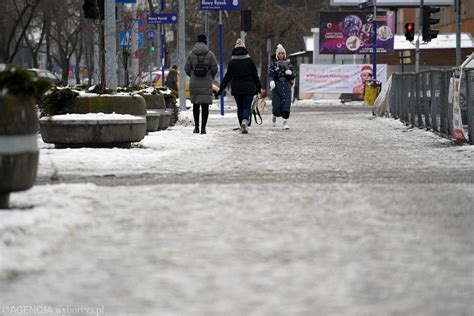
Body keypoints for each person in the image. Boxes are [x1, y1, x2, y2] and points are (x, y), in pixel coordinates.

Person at [215, 38, 261, 134]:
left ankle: (242, 124)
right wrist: (258, 87)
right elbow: (255, 75)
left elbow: (227, 77)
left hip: (237, 89)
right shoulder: (250, 61)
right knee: (246, 107)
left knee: (240, 107)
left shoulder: (232, 62)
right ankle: (245, 121)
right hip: (249, 88)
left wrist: (221, 89)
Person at [184, 34, 218, 134]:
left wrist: (192, 75)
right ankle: (203, 128)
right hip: (206, 81)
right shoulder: (210, 54)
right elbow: (215, 68)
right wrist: (210, 76)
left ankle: (196, 127)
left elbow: (186, 68)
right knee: (205, 106)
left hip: (194, 82)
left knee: (195, 105)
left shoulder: (191, 54)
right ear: (205, 42)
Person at [269, 44, 295, 130]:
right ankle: (274, 115)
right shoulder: (273, 64)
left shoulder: (289, 64)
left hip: (286, 86)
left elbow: (293, 75)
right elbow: (270, 74)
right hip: (277, 86)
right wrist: (272, 81)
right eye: (279, 53)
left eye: (282, 53)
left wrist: (290, 74)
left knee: (286, 104)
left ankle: (285, 121)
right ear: (277, 54)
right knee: (276, 106)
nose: (281, 55)